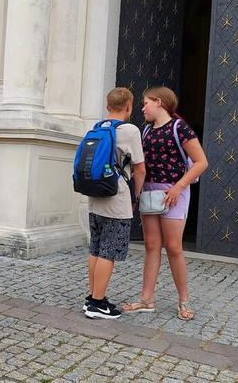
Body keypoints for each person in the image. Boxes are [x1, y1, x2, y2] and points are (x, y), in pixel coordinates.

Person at [122, 86, 208, 321]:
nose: (142, 108)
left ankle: (184, 300)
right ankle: (146, 299)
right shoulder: (146, 131)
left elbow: (201, 162)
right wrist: (135, 196)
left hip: (174, 194)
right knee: (151, 245)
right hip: (150, 192)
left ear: (158, 102)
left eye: (145, 103)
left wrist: (179, 188)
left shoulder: (181, 128)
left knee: (173, 247)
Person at [84, 88, 145, 320]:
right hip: (116, 198)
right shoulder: (130, 130)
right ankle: (97, 303)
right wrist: (135, 197)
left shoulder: (97, 128)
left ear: (108, 105)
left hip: (95, 197)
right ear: (128, 106)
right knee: (108, 252)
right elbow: (139, 168)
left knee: (96, 249)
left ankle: (92, 296)